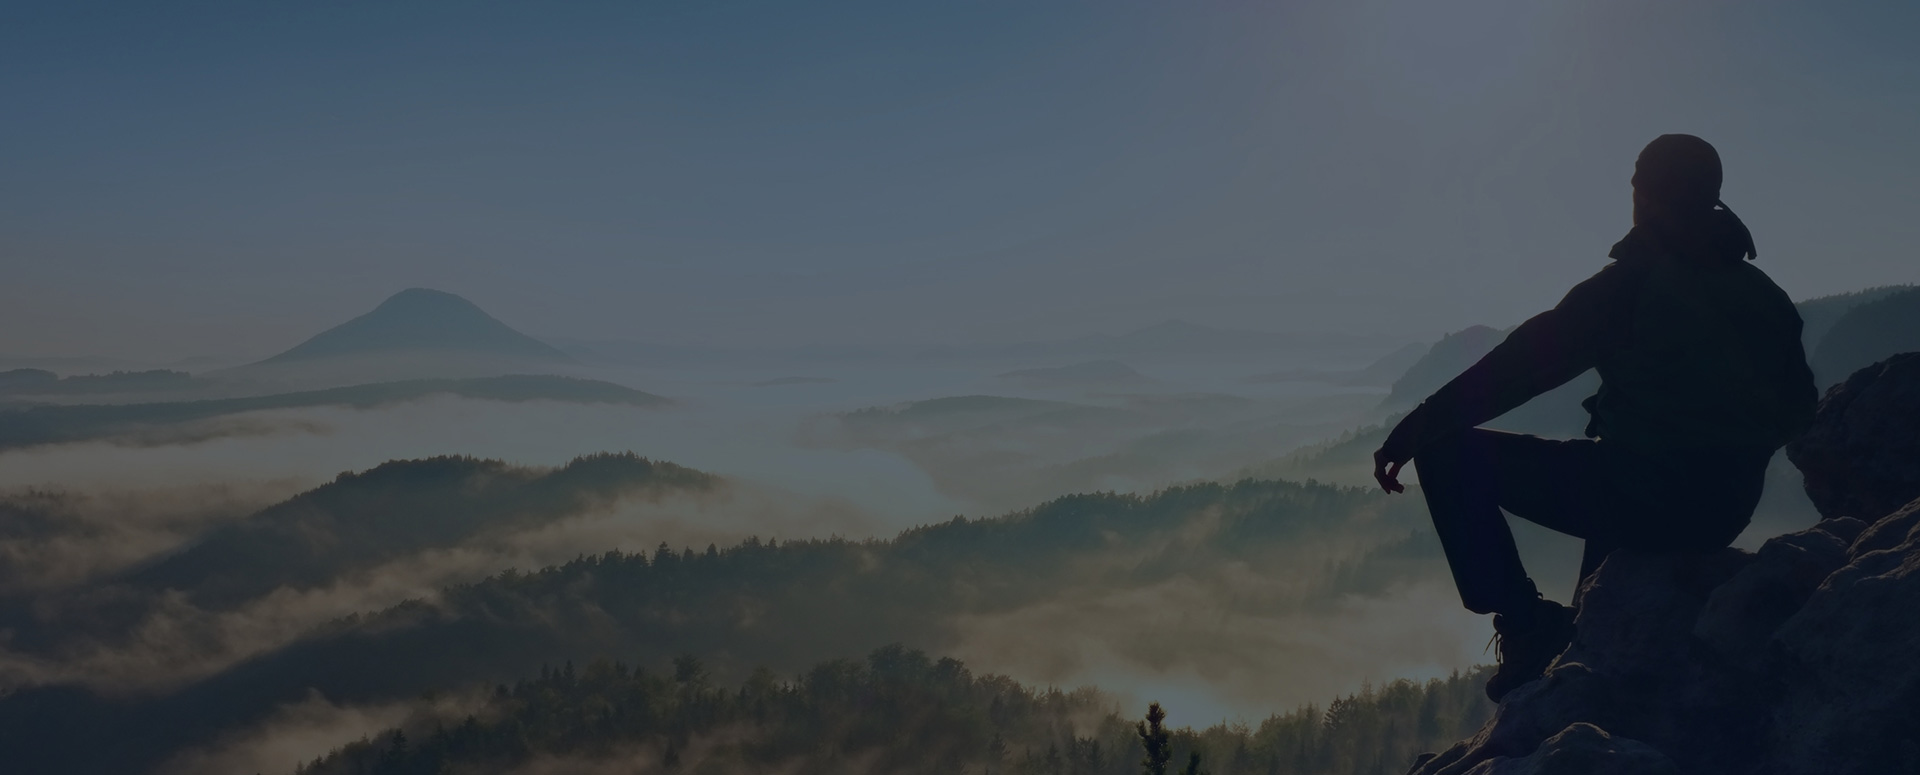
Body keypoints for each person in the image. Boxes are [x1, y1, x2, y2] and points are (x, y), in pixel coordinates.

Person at [1371, 134, 1818, 702]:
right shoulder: (1766, 295)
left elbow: (1521, 367)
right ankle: (1582, 647)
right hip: (1724, 508)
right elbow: (1800, 408)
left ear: (1647, 194)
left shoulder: (1632, 283)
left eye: (1636, 179)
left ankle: (1527, 626)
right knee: (1610, 504)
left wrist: (1416, 429)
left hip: (1644, 498)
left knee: (1449, 455)